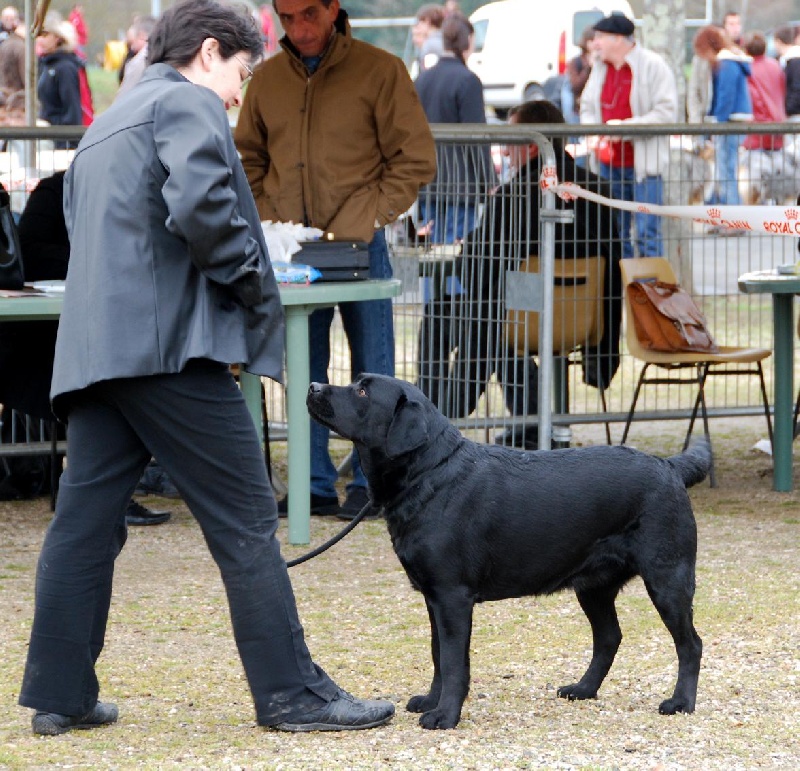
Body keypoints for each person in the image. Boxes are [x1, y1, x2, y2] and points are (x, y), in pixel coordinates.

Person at [19, 0, 394, 736]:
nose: (238, 93)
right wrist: (254, 285)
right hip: (171, 352)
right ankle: (291, 693)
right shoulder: (184, 104)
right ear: (209, 51)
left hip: (101, 353)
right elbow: (203, 207)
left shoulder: (108, 123)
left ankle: (59, 695)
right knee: (249, 521)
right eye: (241, 74)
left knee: (83, 525)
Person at [235, 0, 436, 521]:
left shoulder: (380, 69)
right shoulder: (268, 78)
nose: (298, 28)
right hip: (292, 251)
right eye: (286, 18)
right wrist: (270, 218)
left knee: (377, 375)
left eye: (308, 15)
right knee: (303, 371)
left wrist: (367, 215)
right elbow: (248, 158)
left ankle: (380, 488)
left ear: (333, 9)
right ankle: (313, 485)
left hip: (359, 246)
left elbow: (415, 158)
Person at [417, 100, 622, 448]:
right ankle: (529, 425)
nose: (505, 152)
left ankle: (432, 416)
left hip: (525, 314)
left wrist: (469, 249)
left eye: (510, 141)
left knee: (447, 312)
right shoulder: (598, 189)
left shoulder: (512, 195)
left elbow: (475, 270)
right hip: (587, 316)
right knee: (506, 312)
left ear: (531, 144)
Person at [0, 172, 173, 523]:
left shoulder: (135, 189)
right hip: (54, 335)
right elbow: (30, 251)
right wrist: (98, 260)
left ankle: (106, 492)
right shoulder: (56, 190)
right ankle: (104, 493)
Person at [580, 12, 677, 259]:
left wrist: (624, 127)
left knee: (647, 235)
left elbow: (666, 112)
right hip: (607, 165)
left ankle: (650, 294)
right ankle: (620, 293)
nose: (596, 43)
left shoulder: (653, 65)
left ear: (618, 39)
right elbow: (588, 107)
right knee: (615, 233)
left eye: (600, 37)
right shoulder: (599, 69)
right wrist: (594, 131)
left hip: (644, 167)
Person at [414, 12, 494, 244]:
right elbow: (475, 135)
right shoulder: (467, 80)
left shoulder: (422, 80)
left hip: (428, 182)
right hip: (460, 185)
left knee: (434, 253)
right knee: (457, 254)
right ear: (468, 40)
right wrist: (488, 180)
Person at [692, 25, 752, 215]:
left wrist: (716, 122)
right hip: (734, 121)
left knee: (726, 171)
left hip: (728, 122)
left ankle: (733, 216)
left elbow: (725, 97)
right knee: (726, 169)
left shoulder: (726, 63)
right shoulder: (733, 60)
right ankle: (728, 214)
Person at [741, 32, 789, 204]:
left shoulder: (748, 69)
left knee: (758, 180)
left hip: (757, 132)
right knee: (777, 177)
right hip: (778, 128)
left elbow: (753, 98)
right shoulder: (775, 66)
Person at [35, 12, 86, 141]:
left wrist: (64, 143)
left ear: (58, 37)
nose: (41, 39)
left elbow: (72, 111)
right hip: (47, 136)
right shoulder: (45, 64)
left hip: (59, 142)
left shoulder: (65, 68)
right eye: (39, 34)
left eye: (45, 34)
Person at [116, 15, 156, 98]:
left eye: (132, 42)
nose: (132, 47)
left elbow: (124, 97)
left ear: (142, 36)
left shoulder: (140, 61)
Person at [773, 26, 800, 119]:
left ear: (778, 41)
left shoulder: (794, 61)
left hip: (794, 114)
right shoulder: (787, 60)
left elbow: (796, 88)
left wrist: (787, 109)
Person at [411, 4, 445, 77]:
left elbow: (429, 74)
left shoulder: (430, 45)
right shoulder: (445, 40)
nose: (418, 26)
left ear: (427, 21)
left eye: (420, 22)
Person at [0, 20, 24, 93]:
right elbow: (28, 78)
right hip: (17, 96)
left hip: (4, 92)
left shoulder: (5, 44)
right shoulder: (22, 47)